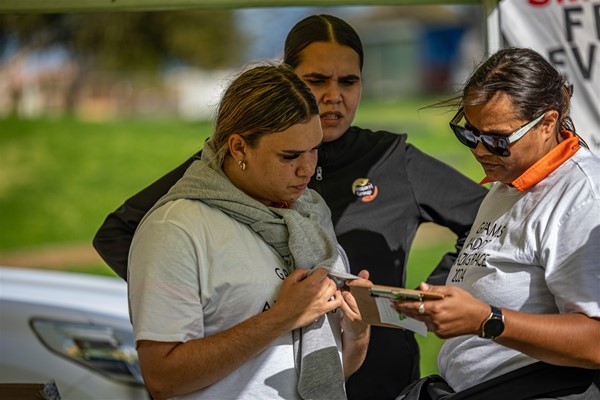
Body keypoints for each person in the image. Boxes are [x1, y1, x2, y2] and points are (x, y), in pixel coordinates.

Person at [93, 15, 488, 399]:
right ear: (238, 150)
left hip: (373, 376)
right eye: (317, 80)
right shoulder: (197, 201)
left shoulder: (339, 190)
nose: (334, 96)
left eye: (349, 81)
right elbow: (166, 362)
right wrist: (189, 295)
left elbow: (486, 218)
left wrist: (410, 302)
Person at [127, 63, 371, 400]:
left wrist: (356, 333)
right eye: (290, 155)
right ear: (240, 147)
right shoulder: (177, 228)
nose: (307, 168)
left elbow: (328, 376)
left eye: (315, 149)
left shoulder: (309, 213)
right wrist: (282, 316)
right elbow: (163, 377)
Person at [394, 47, 600, 399]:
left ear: (548, 123)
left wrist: (486, 320)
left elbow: (595, 343)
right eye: (469, 134)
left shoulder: (584, 198)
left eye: (497, 139)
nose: (480, 150)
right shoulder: (510, 181)